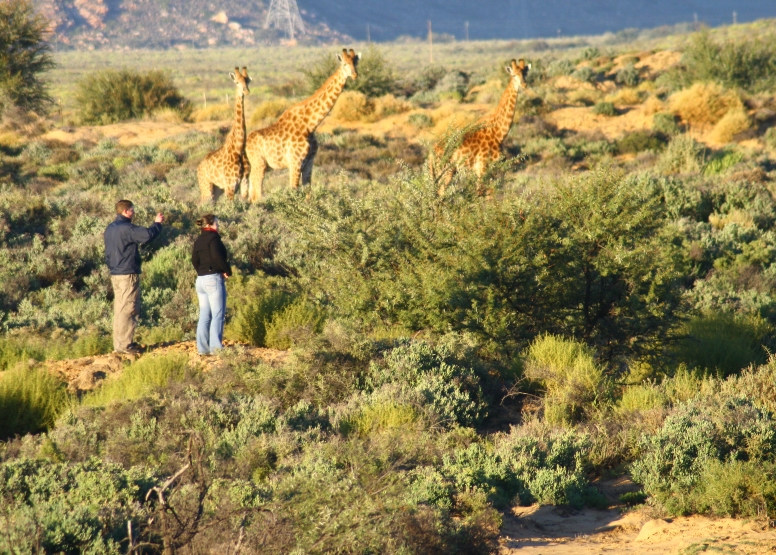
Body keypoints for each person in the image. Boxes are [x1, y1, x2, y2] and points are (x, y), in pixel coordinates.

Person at [104, 200, 164, 355]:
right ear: (125, 211)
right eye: (132, 210)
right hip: (127, 274)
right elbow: (147, 235)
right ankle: (125, 345)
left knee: (120, 309)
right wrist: (157, 223)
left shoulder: (110, 228)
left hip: (115, 274)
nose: (134, 212)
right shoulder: (127, 228)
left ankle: (120, 344)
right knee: (129, 308)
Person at [191, 214, 232, 355]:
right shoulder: (213, 238)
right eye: (216, 223)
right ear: (209, 224)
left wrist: (202, 272)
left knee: (204, 315)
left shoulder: (199, 240)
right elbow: (217, 256)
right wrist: (227, 270)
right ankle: (216, 349)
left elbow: (194, 260)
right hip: (213, 279)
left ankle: (202, 349)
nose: (218, 226)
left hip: (200, 280)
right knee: (218, 314)